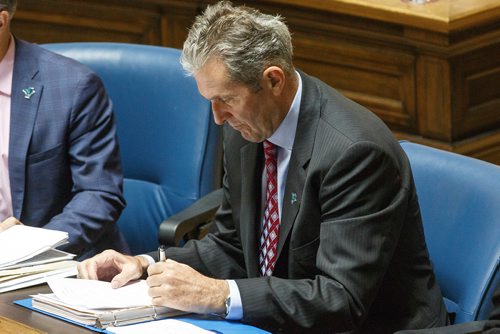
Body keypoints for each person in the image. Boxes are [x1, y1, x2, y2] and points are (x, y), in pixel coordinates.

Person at [78, 1, 448, 332]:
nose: (218, 118)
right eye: (210, 101)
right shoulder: (248, 128)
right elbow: (231, 246)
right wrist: (144, 265)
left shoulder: (354, 153)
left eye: (226, 100)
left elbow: (340, 300)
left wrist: (220, 295)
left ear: (273, 80)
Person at [0, 0, 129, 258]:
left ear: (1, 20)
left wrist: (30, 246)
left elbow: (98, 192)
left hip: (52, 264)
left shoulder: (74, 86)